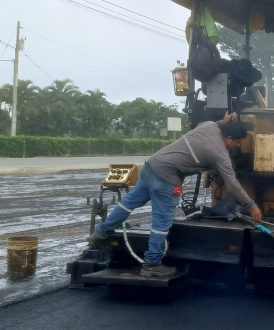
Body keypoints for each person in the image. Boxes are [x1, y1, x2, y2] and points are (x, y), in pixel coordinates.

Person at [88, 114, 261, 277]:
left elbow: (211, 124)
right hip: (166, 177)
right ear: (229, 138)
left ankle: (101, 232)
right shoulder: (220, 153)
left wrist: (224, 121)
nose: (237, 146)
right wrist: (251, 205)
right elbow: (232, 184)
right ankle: (152, 264)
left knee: (128, 204)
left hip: (152, 166)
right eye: (237, 142)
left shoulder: (210, 126)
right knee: (162, 221)